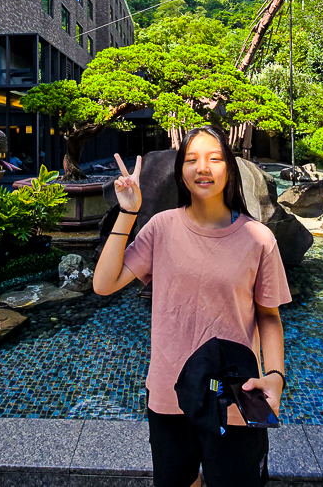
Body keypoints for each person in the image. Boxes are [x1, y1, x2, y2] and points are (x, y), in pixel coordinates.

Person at [94, 126, 292, 487]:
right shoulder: (161, 228)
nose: (204, 168)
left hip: (235, 394)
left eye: (215, 159)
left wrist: (276, 379)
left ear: (230, 168)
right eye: (192, 160)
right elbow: (104, 284)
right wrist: (128, 212)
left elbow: (269, 316)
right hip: (171, 393)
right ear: (181, 172)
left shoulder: (258, 238)